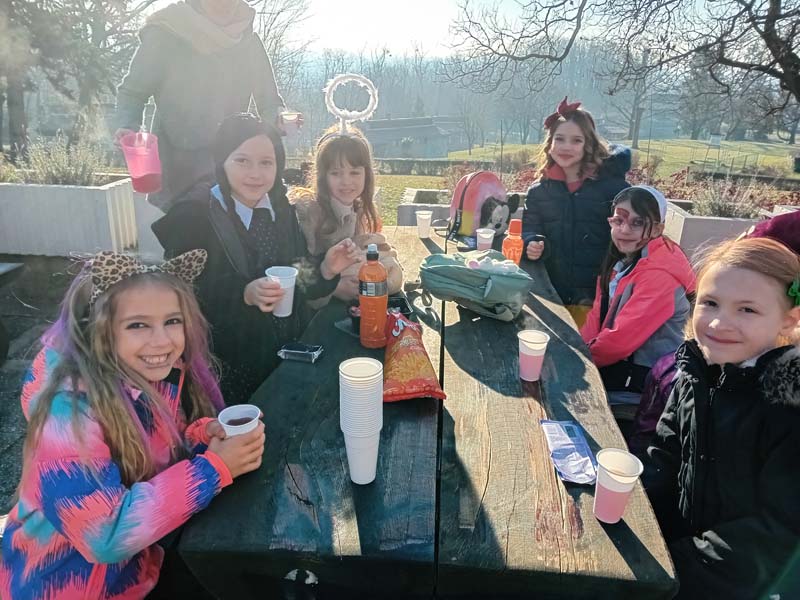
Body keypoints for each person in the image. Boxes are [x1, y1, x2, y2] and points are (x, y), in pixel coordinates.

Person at [0, 250, 267, 599]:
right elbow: (104, 534)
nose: (162, 340)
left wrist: (203, 435)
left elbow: (160, 446)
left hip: (134, 573)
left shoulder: (145, 376)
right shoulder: (66, 416)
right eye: (138, 325)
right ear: (98, 331)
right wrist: (212, 470)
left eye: (172, 321)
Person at [153, 113, 360, 403]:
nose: (255, 173)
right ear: (222, 161)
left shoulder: (281, 210)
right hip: (227, 367)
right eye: (242, 160)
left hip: (286, 355)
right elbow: (184, 296)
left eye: (266, 162)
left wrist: (326, 267)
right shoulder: (194, 217)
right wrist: (245, 293)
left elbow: (297, 275)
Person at [642, 236, 800, 599]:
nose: (718, 323)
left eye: (747, 310)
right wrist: (638, 528)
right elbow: (663, 459)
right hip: (680, 564)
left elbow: (779, 531)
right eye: (710, 303)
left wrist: (675, 566)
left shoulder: (789, 408)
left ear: (788, 320)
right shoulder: (697, 375)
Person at [114, 0, 286, 212]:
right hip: (177, 173)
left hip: (230, 169)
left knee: (228, 230)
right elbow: (133, 92)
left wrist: (277, 120)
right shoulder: (167, 32)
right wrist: (127, 126)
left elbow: (269, 101)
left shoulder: (247, 42)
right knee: (185, 230)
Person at [580, 186, 695, 405]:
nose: (624, 230)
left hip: (643, 387)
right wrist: (578, 349)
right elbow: (597, 315)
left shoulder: (660, 273)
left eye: (638, 222)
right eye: (618, 220)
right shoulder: (622, 262)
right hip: (615, 369)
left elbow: (621, 340)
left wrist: (579, 361)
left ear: (658, 229)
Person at [521, 97, 631, 327]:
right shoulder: (539, 192)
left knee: (586, 343)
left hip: (595, 294)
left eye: (576, 140)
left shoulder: (613, 189)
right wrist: (532, 241)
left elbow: (629, 233)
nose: (566, 146)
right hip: (552, 291)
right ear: (550, 144)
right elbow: (530, 226)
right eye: (559, 139)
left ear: (588, 145)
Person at [293, 125, 402, 303]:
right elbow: (297, 271)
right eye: (336, 173)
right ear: (323, 175)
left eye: (354, 172)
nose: (346, 181)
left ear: (367, 174)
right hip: (317, 310)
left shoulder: (358, 209)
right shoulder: (308, 213)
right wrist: (334, 288)